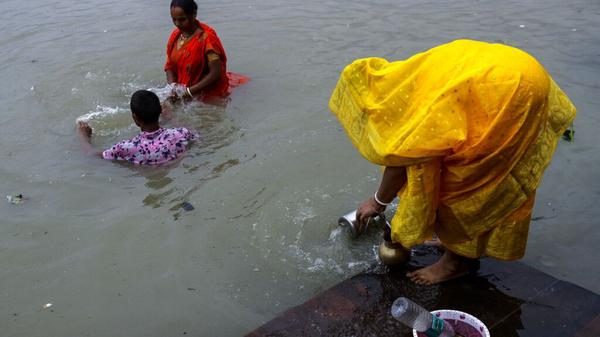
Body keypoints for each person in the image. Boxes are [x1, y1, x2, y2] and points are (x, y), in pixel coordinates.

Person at [329, 40, 576, 285]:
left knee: (467, 188)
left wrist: (377, 201)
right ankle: (455, 242)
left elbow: (403, 163)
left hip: (512, 94)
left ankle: (457, 262)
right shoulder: (407, 80)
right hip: (518, 70)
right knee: (454, 166)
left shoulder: (422, 109)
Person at [77, 90, 198, 165]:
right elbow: (195, 134)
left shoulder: (127, 148)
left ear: (135, 118)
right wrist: (171, 117)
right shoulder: (180, 134)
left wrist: (84, 136)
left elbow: (92, 154)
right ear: (160, 111)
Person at [165, 0, 230, 101]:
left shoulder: (207, 39)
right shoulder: (175, 35)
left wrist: (188, 92)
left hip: (207, 95)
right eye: (174, 19)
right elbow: (169, 66)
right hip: (182, 91)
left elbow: (216, 72)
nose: (177, 24)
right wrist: (172, 87)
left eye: (182, 19)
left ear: (194, 14)